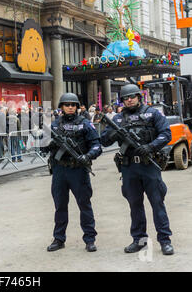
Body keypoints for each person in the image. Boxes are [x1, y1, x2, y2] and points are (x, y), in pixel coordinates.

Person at [100, 84, 174, 255]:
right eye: (126, 98)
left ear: (139, 97)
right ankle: (139, 240)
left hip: (149, 165)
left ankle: (165, 241)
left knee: (157, 204)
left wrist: (150, 147)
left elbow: (166, 134)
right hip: (129, 167)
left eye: (133, 96)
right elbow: (104, 141)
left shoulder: (153, 113)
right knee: (135, 205)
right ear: (122, 101)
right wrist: (114, 134)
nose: (130, 99)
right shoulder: (118, 119)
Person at [43, 93, 102, 253]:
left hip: (78, 170)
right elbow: (42, 146)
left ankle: (90, 239)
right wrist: (49, 143)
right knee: (60, 206)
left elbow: (97, 145)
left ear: (77, 107)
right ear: (61, 107)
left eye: (73, 105)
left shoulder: (85, 124)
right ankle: (59, 238)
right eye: (67, 104)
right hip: (60, 170)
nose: (70, 107)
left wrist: (87, 156)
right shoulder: (54, 125)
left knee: (84, 205)